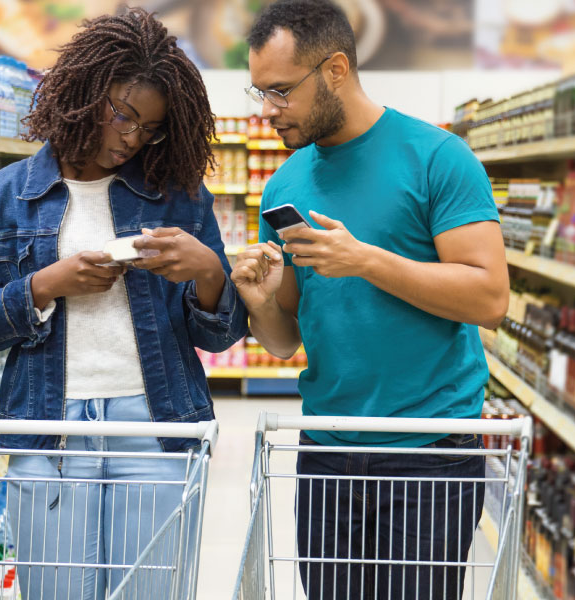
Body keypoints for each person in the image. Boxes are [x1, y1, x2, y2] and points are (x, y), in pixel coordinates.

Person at [0, 9, 245, 598]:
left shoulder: (178, 195)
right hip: (49, 427)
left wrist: (210, 271)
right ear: (83, 93)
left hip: (155, 426)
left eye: (150, 128)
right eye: (124, 115)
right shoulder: (8, 194)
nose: (132, 138)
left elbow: (217, 335)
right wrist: (46, 284)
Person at [230, 0, 510, 597]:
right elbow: (284, 343)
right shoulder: (284, 184)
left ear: (334, 69)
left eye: (280, 91)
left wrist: (366, 261)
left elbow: (489, 297)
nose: (269, 112)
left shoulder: (437, 157)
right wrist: (260, 303)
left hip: (429, 451)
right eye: (260, 94)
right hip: (326, 448)